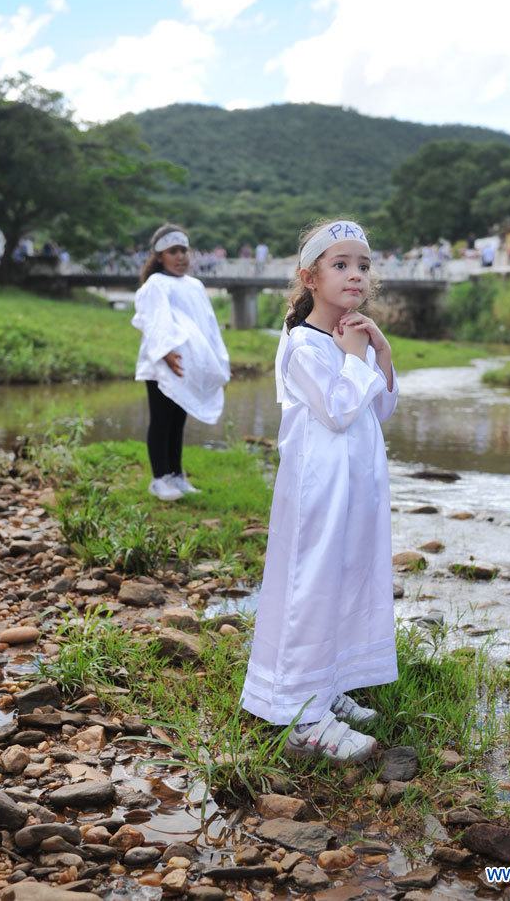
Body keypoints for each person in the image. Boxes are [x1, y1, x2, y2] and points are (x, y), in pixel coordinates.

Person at [241, 218, 399, 763]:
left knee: (347, 575)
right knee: (311, 585)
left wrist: (379, 352)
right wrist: (356, 356)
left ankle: (330, 685)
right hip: (320, 489)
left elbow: (379, 408)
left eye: (363, 265)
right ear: (310, 277)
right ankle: (302, 714)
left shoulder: (350, 334)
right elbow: (337, 409)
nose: (355, 274)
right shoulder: (303, 342)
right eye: (340, 264)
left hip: (357, 487)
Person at [132, 224, 230, 501]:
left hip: (187, 366)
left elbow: (207, 326)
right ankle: (159, 478)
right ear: (160, 255)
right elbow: (154, 321)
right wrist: (165, 353)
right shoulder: (156, 284)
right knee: (161, 420)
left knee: (178, 421)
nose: (180, 257)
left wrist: (219, 362)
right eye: (173, 251)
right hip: (163, 364)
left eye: (184, 250)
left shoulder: (195, 286)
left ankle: (176, 474)